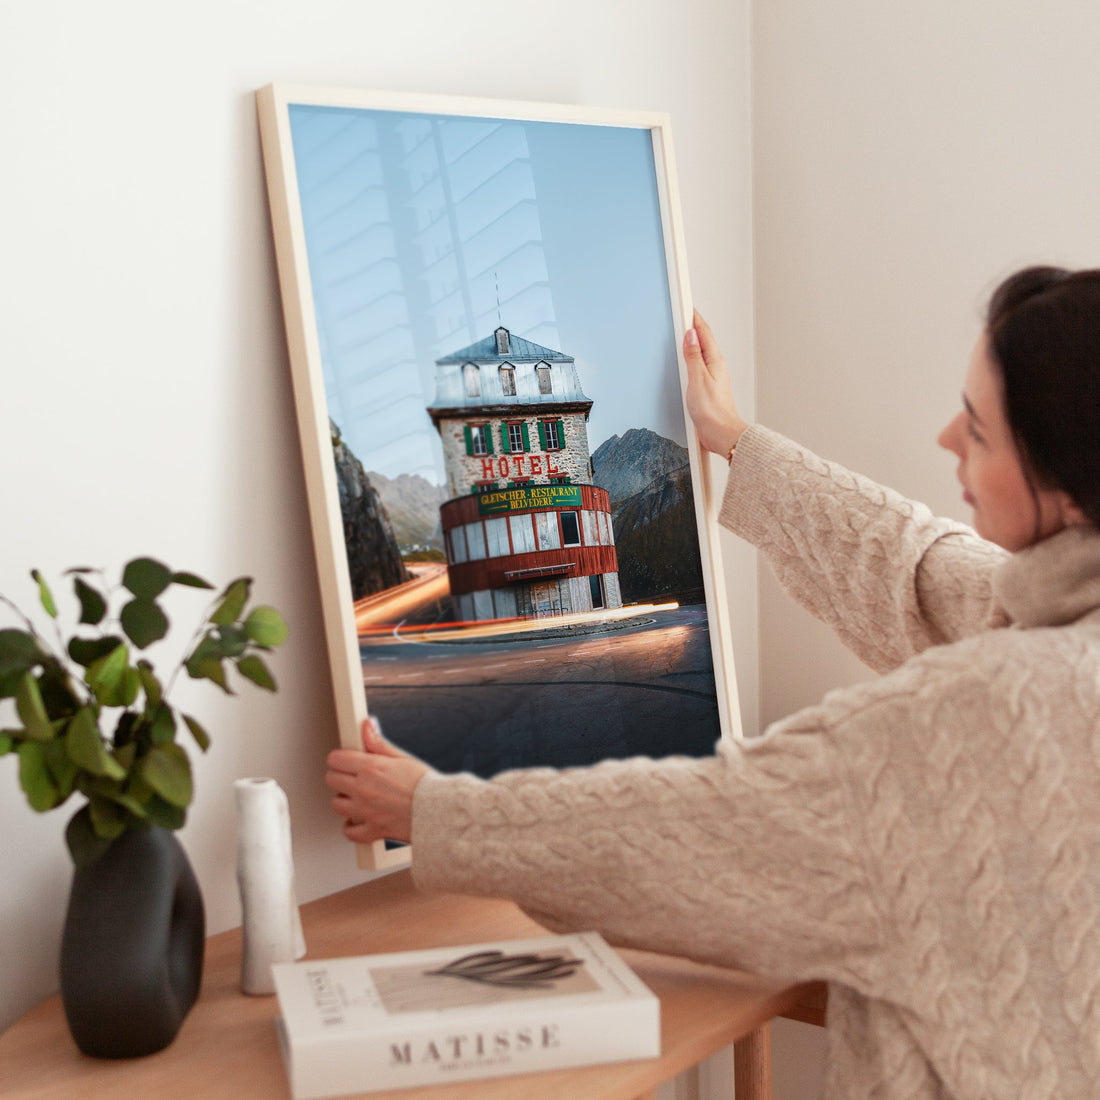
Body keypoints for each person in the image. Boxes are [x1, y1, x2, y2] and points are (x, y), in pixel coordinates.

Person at [326, 266, 1100, 1099]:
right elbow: (917, 568)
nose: (948, 437)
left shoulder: (979, 717)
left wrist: (435, 813)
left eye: (979, 431)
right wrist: (735, 440)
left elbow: (704, 828)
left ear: (1064, 486)